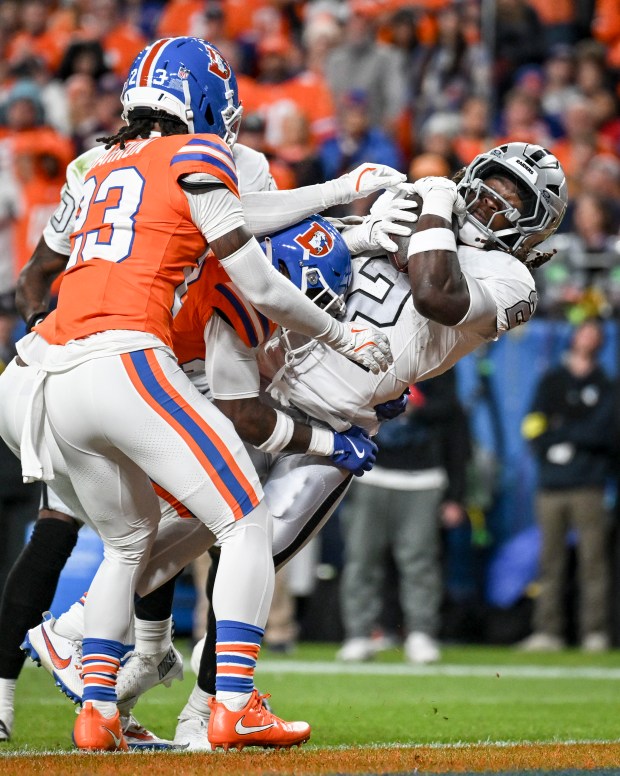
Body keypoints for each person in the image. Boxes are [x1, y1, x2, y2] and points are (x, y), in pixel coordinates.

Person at [15, 140, 569, 750]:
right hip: (261, 382)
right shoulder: (410, 206)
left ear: (536, 223)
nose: (495, 200)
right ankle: (106, 653)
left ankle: (189, 707)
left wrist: (432, 202)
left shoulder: (511, 278)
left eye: (516, 198)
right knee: (186, 537)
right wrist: (360, 231)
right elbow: (303, 253)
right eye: (494, 182)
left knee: (253, 556)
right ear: (474, 173)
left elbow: (439, 293)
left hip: (336, 416)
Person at [0, 36, 398, 753]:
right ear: (205, 105)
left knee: (127, 541)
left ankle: (98, 709)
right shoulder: (199, 154)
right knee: (243, 518)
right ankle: (234, 702)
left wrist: (346, 201)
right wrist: (344, 337)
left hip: (38, 371)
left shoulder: (98, 165)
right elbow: (260, 276)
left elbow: (41, 271)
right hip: (122, 358)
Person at [336, 369, 470, 665]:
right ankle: (359, 633)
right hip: (373, 475)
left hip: (423, 479)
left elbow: (454, 425)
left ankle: (421, 632)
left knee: (420, 562)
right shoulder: (378, 357)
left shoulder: (443, 366)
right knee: (361, 558)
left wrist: (456, 496)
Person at [518, 318, 615, 652]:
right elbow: (533, 426)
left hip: (588, 484)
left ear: (601, 341)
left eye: (594, 334)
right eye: (584, 331)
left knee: (593, 562)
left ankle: (595, 633)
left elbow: (605, 434)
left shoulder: (606, 385)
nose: (587, 338)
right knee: (550, 561)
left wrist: (562, 435)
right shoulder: (552, 381)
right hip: (552, 484)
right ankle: (548, 631)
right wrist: (563, 438)